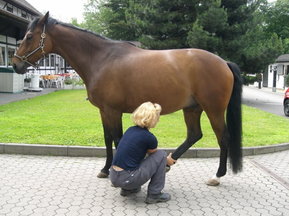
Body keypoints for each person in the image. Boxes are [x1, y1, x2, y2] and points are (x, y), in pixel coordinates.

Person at [109, 102, 177, 204]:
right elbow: (155, 156)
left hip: (114, 177)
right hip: (128, 178)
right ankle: (154, 194)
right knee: (161, 154)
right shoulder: (149, 138)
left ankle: (128, 189)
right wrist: (168, 160)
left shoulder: (130, 130)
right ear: (153, 118)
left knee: (137, 155)